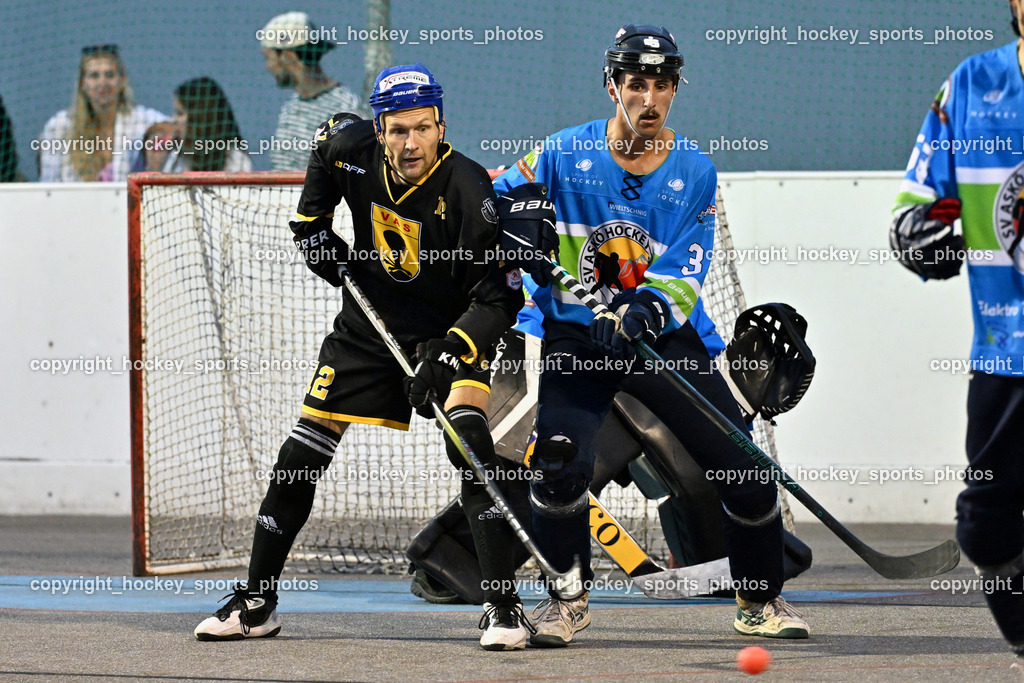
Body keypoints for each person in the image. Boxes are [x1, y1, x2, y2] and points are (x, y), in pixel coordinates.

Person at [194, 63, 540, 651]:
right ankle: (256, 602)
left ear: (442, 125)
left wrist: (449, 355)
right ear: (379, 130)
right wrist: (313, 226)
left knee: (472, 449)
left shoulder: (469, 188)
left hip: (449, 332)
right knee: (301, 451)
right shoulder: (349, 149)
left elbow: (498, 296)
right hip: (368, 327)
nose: (412, 144)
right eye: (399, 130)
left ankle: (502, 609)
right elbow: (322, 161)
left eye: (423, 129)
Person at [493, 24, 810, 646]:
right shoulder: (562, 153)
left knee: (743, 463)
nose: (649, 98)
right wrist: (517, 221)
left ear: (673, 90)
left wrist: (646, 311)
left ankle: (759, 601)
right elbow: (495, 200)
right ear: (613, 86)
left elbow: (687, 263)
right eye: (636, 83)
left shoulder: (695, 171)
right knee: (557, 462)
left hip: (656, 339)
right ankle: (566, 599)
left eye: (661, 84)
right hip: (577, 340)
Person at [890, 0, 1024, 666]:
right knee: (986, 526)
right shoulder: (972, 86)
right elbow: (915, 208)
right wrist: (923, 238)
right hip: (1006, 354)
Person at [36, 44, 165, 181]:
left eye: (109, 75)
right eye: (94, 76)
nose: (102, 83)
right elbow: (49, 185)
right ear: (82, 84)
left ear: (122, 81)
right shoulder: (59, 126)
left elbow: (171, 129)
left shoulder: (144, 121)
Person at [259, 11, 362, 170]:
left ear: (288, 56)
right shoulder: (290, 108)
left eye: (269, 57)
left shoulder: (345, 108)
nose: (268, 66)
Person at [162, 77, 251, 172]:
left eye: (180, 113)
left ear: (199, 118)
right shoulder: (176, 155)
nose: (173, 120)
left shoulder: (235, 158)